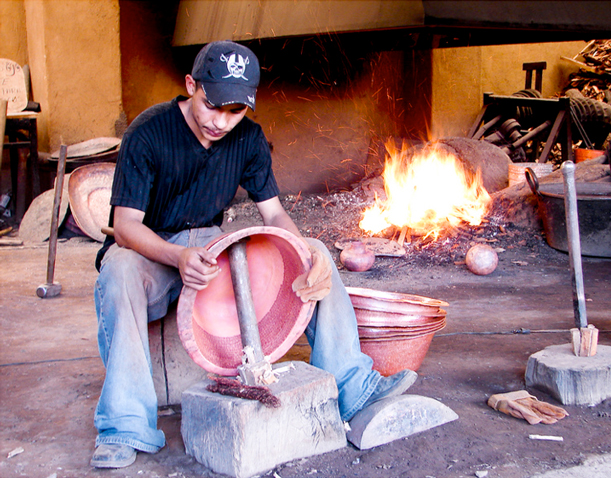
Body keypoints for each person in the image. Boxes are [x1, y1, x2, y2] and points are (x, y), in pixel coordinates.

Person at [90, 40, 417, 469]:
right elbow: (126, 226)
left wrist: (305, 253)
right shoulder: (148, 133)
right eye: (212, 106)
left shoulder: (248, 139)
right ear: (191, 85)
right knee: (118, 274)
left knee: (316, 252)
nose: (221, 122)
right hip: (150, 250)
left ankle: (352, 384)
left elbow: (275, 214)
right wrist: (176, 257)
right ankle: (124, 425)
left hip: (210, 245)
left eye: (235, 111)